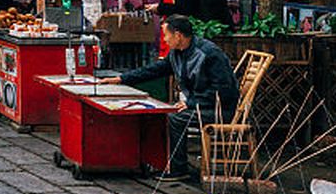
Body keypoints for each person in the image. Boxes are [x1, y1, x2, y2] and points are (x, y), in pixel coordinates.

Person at [98, 15, 238, 180]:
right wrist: (121, 79)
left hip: (218, 109)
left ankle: (179, 170)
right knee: (164, 112)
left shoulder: (208, 54)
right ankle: (159, 161)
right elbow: (154, 70)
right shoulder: (177, 53)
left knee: (175, 117)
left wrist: (192, 103)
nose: (164, 39)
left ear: (178, 35)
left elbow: (224, 89)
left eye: (166, 35)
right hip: (199, 105)